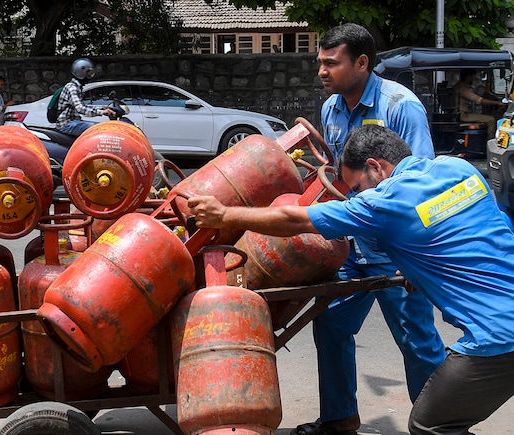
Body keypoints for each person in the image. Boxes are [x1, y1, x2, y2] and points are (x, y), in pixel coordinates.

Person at [188, 124, 514, 435]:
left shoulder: (383, 202)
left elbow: (294, 219)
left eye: (356, 188)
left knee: (431, 424)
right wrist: (418, 268)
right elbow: (478, 232)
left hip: (498, 338)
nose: (356, 197)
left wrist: (224, 215)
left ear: (376, 167)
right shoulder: (460, 170)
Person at [288, 23, 447, 435]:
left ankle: (440, 426)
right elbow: (341, 177)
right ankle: (340, 420)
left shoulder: (400, 106)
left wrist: (414, 257)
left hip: (397, 251)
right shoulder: (331, 108)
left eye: (330, 63)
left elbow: (420, 184)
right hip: (351, 247)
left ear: (362, 62)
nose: (322, 71)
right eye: (319, 63)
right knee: (332, 325)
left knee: (418, 342)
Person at [55, 58, 115, 136]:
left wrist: (103, 108)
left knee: (101, 126)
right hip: (66, 124)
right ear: (80, 73)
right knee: (99, 129)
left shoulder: (77, 87)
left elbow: (84, 106)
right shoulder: (72, 88)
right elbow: (80, 108)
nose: (90, 76)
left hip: (74, 123)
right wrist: (102, 112)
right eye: (88, 73)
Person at [452, 69, 506, 139]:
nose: (473, 79)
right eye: (472, 77)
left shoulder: (458, 86)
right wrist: (497, 103)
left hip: (460, 114)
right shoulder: (462, 88)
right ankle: (490, 141)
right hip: (463, 115)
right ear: (468, 77)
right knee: (491, 120)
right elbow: (479, 100)